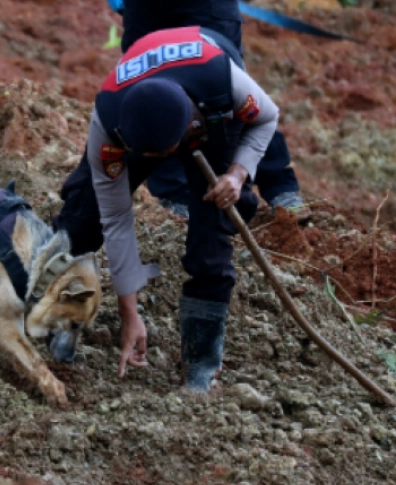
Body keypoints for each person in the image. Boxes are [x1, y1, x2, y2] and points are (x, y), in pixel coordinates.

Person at [52, 25, 281, 392]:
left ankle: (201, 363)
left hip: (208, 103)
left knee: (211, 241)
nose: (160, 163)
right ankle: (59, 319)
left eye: (164, 155)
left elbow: (267, 118)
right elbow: (116, 219)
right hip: (144, 92)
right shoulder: (109, 122)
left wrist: (237, 175)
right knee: (82, 220)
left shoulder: (224, 82)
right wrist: (130, 314)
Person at [118, 0, 306, 219]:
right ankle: (176, 199)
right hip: (145, 9)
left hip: (209, 6)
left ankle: (279, 188)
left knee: (226, 90)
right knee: (152, 95)